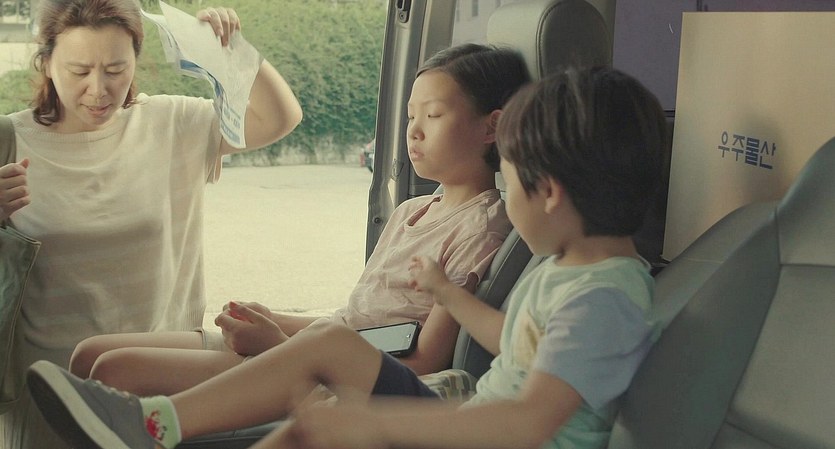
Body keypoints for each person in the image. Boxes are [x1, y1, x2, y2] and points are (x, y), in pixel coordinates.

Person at [25, 65, 667, 449]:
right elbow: (519, 344)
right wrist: (449, 295)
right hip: (454, 405)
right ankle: (154, 424)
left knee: (326, 384)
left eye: (513, 177)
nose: (507, 193)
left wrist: (379, 422)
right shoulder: (565, 267)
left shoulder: (600, 298)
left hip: (477, 429)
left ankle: (154, 426)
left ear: (548, 192)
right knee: (320, 377)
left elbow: (526, 422)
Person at [64, 42, 531, 397]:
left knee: (113, 371)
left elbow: (423, 361)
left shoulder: (480, 229)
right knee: (89, 354)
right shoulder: (412, 210)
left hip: (328, 376)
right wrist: (276, 321)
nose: (414, 131)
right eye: (411, 116)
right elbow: (354, 323)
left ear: (490, 127)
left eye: (434, 115)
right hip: (320, 350)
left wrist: (277, 345)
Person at [0, 0, 303, 447]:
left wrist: (232, 50)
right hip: (47, 391)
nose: (99, 90)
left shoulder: (171, 123)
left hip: (154, 385)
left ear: (136, 61)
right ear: (45, 63)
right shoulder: (9, 140)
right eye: (79, 71)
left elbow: (279, 118)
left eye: (116, 69)